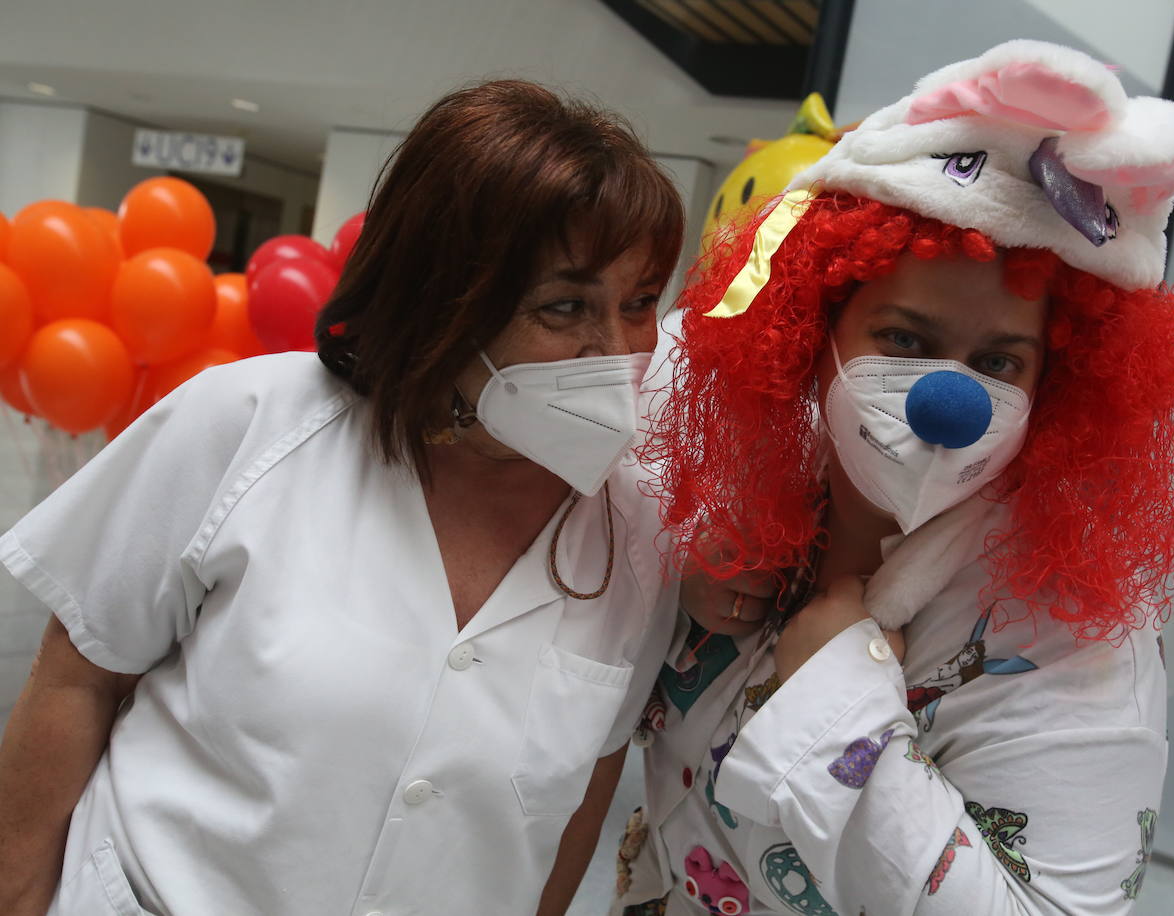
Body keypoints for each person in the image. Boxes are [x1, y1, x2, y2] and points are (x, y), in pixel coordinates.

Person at [0, 80, 683, 915]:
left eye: (642, 303)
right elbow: (78, 679)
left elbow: (587, 784)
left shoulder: (636, 534)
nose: (613, 351)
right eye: (564, 306)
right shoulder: (249, 424)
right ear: (446, 302)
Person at [616, 40, 1174, 915]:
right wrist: (677, 584)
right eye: (904, 338)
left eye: (1000, 360)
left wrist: (842, 693)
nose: (952, 401)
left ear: (1057, 384)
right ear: (810, 332)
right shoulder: (749, 498)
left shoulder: (1075, 631)